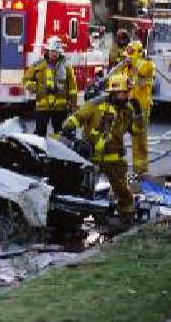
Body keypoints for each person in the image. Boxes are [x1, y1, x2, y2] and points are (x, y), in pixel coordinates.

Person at [62, 74, 145, 227]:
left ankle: (127, 217)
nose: (126, 96)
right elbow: (76, 117)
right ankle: (77, 217)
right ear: (113, 92)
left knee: (122, 190)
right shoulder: (95, 104)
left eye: (127, 93)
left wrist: (139, 115)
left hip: (114, 158)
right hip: (91, 156)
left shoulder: (127, 109)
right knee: (83, 189)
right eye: (123, 93)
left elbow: (136, 131)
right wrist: (69, 128)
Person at [111, 40, 155, 176]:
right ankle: (115, 168)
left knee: (139, 141)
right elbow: (114, 77)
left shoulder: (146, 64)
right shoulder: (125, 66)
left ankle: (140, 172)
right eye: (126, 55)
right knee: (115, 136)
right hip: (125, 106)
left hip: (140, 108)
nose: (127, 58)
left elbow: (144, 70)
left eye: (130, 54)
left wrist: (134, 62)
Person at [22, 36, 78, 137]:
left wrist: (73, 107)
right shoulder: (37, 65)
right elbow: (25, 80)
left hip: (60, 109)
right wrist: (38, 88)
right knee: (39, 135)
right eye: (52, 51)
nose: (54, 54)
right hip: (42, 107)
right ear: (47, 51)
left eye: (56, 51)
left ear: (60, 52)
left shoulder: (66, 67)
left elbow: (73, 88)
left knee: (61, 135)